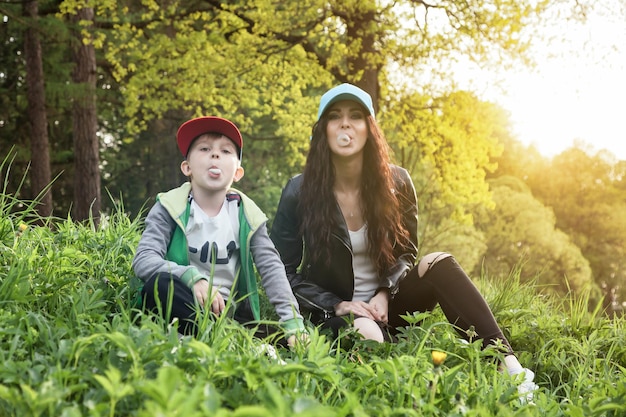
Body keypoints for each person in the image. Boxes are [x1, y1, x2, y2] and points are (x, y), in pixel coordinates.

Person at [270, 83, 538, 397]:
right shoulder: (298, 191)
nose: (345, 124)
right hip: (336, 312)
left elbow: (408, 251)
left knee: (437, 261)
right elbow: (282, 272)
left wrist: (384, 292)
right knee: (366, 336)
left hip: (391, 305)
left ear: (369, 129)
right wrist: (337, 304)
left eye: (355, 116)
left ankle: (511, 370)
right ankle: (392, 364)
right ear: (323, 131)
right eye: (334, 117)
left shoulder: (397, 182)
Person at [132, 116, 305, 347]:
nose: (215, 155)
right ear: (187, 167)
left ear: (237, 173)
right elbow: (143, 260)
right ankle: (198, 342)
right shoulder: (170, 206)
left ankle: (224, 341)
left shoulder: (246, 214)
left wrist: (293, 322)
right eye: (204, 149)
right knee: (160, 286)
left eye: (225, 151)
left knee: (271, 335)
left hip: (228, 314)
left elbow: (272, 268)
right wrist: (192, 278)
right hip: (182, 299)